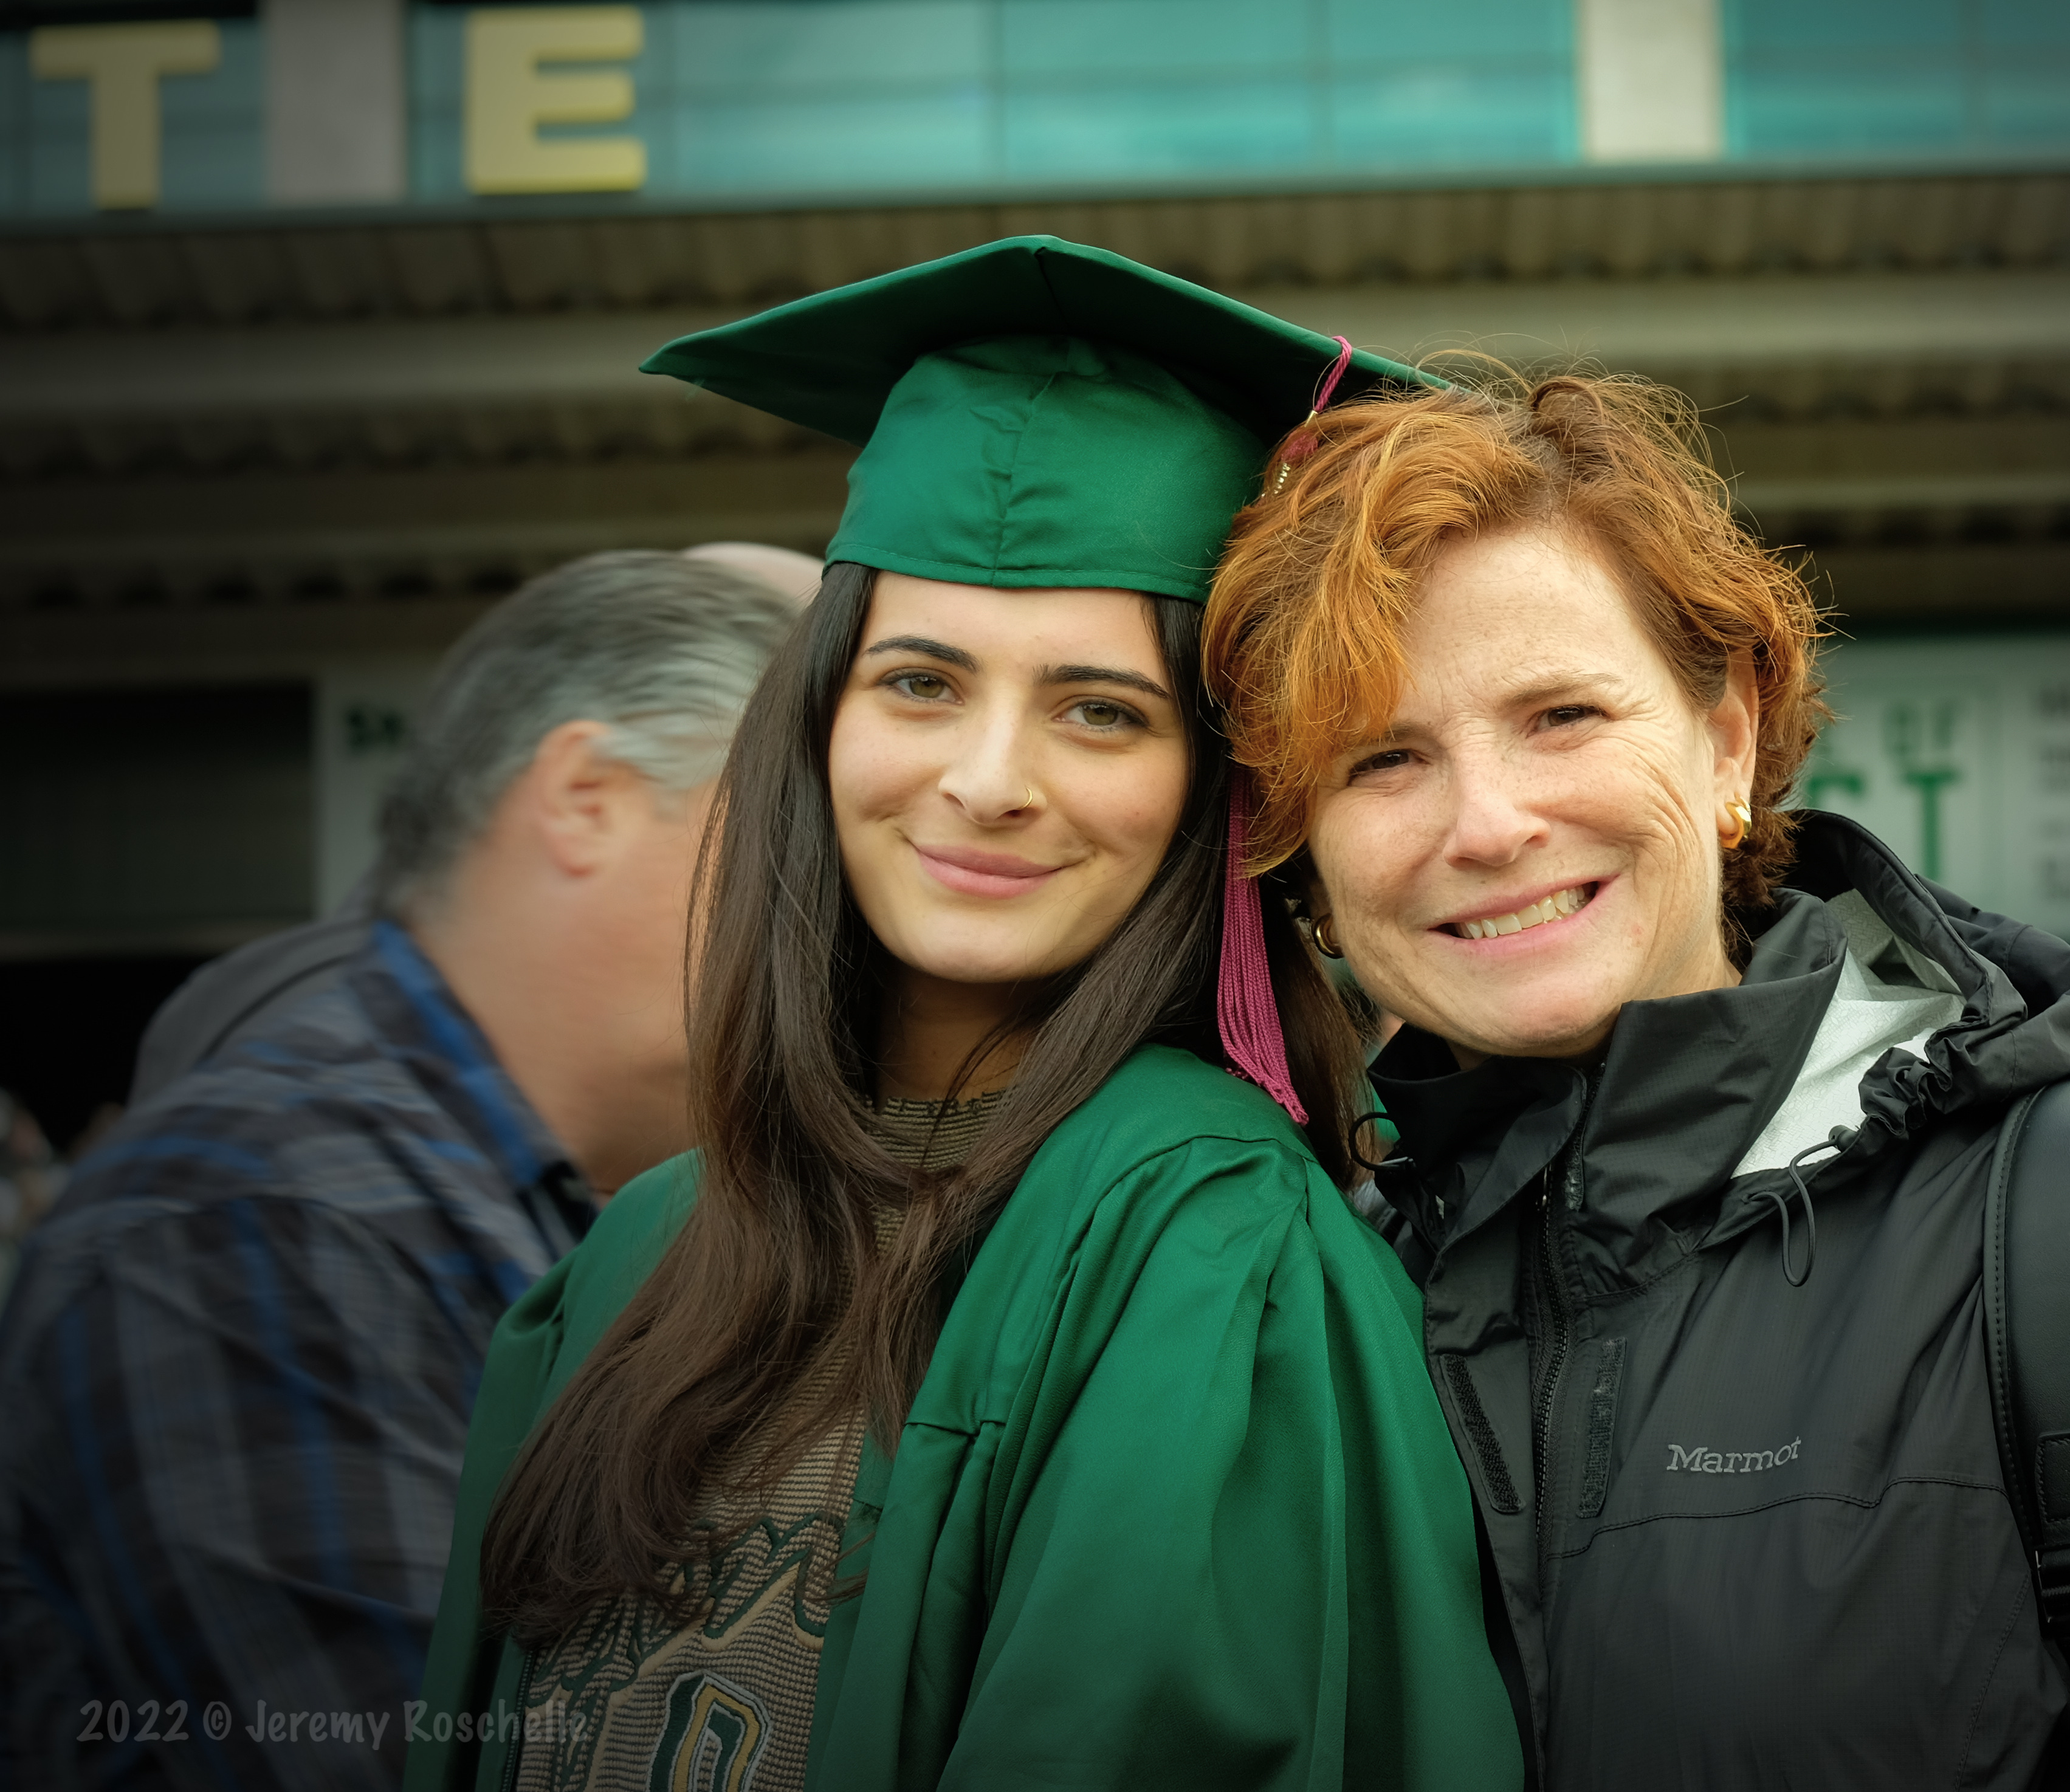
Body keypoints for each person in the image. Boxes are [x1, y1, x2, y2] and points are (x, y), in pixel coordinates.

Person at [1202, 371, 2070, 1788]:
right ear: (1300, 851)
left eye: (1561, 715)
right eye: (1384, 757)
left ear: (1730, 739)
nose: (1491, 823)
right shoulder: (1308, 1305)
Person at [408, 240, 1519, 1792]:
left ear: (1216, 790)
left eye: (1099, 709)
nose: (989, 779)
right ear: (820, 723)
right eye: (921, 684)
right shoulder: (637, 1261)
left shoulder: (1201, 1240)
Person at [0, 551, 802, 1791]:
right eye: (800, 849)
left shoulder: (506, 1199)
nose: (845, 940)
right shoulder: (265, 1219)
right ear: (586, 796)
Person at [125, 543, 824, 1105]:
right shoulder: (304, 1168)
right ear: (589, 797)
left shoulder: (485, 1119)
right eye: (778, 817)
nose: (811, 901)